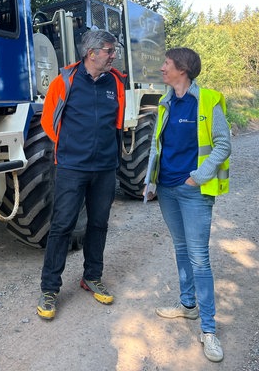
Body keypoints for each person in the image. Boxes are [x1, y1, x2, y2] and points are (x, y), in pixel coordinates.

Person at [144, 47, 231, 363]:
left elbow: (223, 143)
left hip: (193, 191)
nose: (162, 68)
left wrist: (199, 176)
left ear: (182, 68)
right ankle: (188, 307)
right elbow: (158, 146)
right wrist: (151, 183)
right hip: (167, 190)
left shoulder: (207, 100)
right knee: (181, 250)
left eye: (166, 63)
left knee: (199, 258)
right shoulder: (165, 104)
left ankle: (209, 330)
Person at [37, 29, 126, 320]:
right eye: (109, 51)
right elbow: (49, 122)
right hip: (73, 168)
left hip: (104, 168)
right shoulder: (65, 80)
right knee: (62, 225)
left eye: (113, 51)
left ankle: (92, 277)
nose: (113, 55)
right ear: (92, 53)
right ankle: (50, 289)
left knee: (99, 224)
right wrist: (71, 151)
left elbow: (117, 123)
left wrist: (113, 158)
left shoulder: (116, 82)